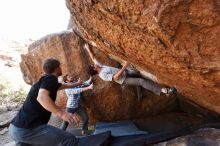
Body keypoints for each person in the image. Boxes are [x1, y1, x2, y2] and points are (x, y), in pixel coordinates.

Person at [9, 58, 81, 146]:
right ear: (57, 68)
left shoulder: (44, 81)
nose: (61, 69)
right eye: (60, 67)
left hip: (15, 128)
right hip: (28, 129)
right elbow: (42, 97)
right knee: (69, 139)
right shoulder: (50, 78)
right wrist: (62, 114)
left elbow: (64, 85)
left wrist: (77, 84)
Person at [84, 43, 177, 97]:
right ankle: (164, 91)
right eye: (93, 65)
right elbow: (116, 77)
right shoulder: (103, 75)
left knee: (138, 73)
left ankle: (142, 91)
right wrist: (124, 66)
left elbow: (93, 57)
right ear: (94, 69)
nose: (94, 64)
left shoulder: (99, 66)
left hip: (125, 72)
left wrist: (88, 49)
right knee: (140, 81)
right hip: (124, 80)